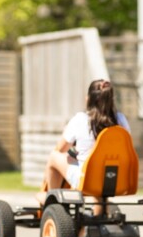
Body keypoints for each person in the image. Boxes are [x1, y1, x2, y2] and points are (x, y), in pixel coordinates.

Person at [36, 79, 131, 208]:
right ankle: (100, 216)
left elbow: (61, 148)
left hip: (87, 180)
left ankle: (53, 201)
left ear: (88, 99)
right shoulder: (121, 120)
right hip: (117, 179)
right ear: (111, 100)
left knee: (54, 156)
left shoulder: (80, 120)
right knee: (99, 183)